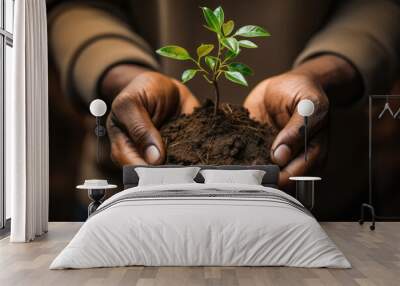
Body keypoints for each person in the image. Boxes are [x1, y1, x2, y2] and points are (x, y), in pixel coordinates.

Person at [48, 0, 400, 187]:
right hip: (134, 192)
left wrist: (323, 73)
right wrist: (121, 74)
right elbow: (75, 6)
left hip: (318, 194)